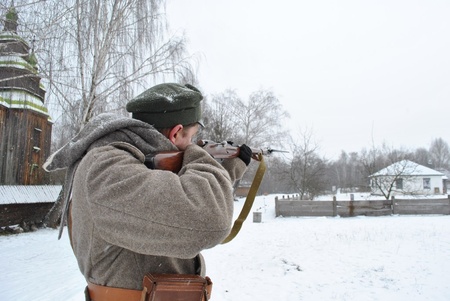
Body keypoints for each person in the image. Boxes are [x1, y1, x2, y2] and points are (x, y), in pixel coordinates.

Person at [43, 83, 251, 301]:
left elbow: (173, 205)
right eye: (190, 139)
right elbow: (210, 220)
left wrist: (226, 170)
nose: (193, 146)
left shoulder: (130, 164)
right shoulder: (106, 167)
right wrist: (201, 157)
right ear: (176, 133)